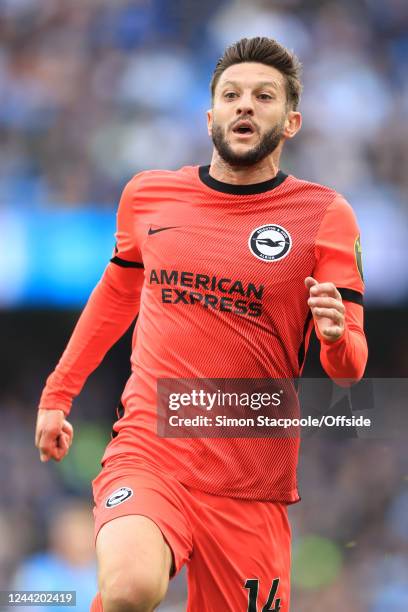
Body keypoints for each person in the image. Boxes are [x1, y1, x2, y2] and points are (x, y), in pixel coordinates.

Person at [35, 37, 368, 611]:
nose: (245, 106)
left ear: (290, 122)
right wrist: (58, 392)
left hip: (249, 481)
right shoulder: (149, 196)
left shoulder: (323, 215)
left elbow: (350, 369)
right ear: (209, 113)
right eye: (232, 94)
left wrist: (336, 336)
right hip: (151, 449)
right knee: (129, 588)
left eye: (264, 97)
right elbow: (116, 295)